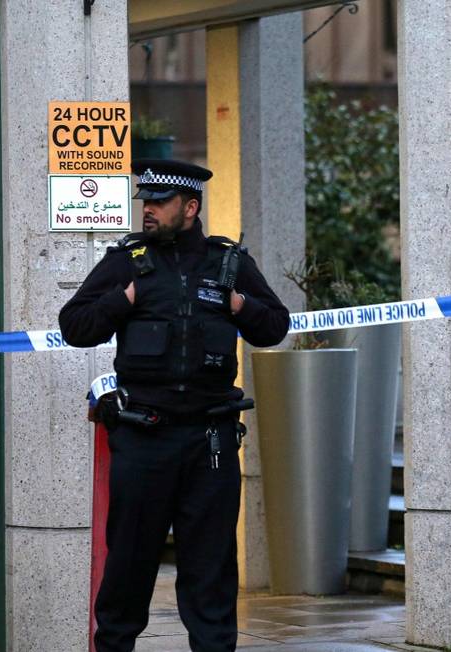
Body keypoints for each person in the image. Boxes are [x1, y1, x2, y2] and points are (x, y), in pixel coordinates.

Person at [59, 158, 290, 651]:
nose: (149, 210)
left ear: (190, 207)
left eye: (160, 203)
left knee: (210, 571)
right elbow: (74, 326)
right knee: (128, 567)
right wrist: (121, 300)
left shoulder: (228, 263)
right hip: (144, 439)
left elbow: (275, 327)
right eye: (146, 201)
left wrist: (239, 306)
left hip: (210, 442)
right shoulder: (128, 261)